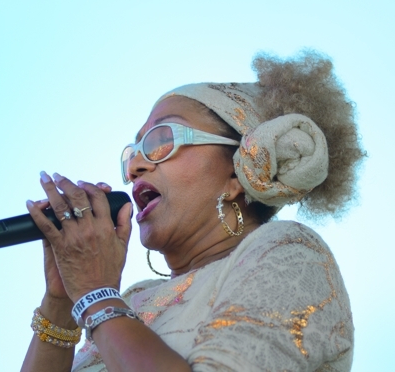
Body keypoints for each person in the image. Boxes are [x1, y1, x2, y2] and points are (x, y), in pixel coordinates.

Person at [21, 51, 364, 372]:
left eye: (160, 141)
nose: (136, 166)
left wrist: (95, 293)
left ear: (236, 172)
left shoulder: (291, 252)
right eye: (133, 153)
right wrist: (62, 300)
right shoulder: (135, 299)